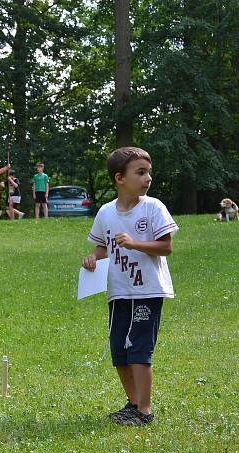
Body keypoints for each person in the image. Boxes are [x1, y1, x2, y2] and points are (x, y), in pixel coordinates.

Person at [82, 147, 178, 426]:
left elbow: (166, 247)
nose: (148, 178)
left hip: (147, 291)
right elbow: (102, 247)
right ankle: (132, 403)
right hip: (119, 292)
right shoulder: (105, 212)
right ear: (119, 178)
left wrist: (135, 243)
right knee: (119, 351)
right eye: (140, 172)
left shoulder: (153, 207)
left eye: (149, 172)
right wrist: (92, 258)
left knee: (138, 349)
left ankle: (144, 411)